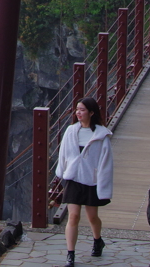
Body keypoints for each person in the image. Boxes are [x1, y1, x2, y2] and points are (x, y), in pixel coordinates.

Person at [55, 97, 113, 267]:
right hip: (73, 178)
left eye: (82, 110)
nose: (78, 113)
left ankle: (97, 240)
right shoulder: (71, 131)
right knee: (73, 216)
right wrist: (62, 173)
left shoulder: (102, 135)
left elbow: (106, 162)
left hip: (91, 180)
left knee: (92, 217)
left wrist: (103, 185)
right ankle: (70, 254)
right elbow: (63, 154)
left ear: (91, 112)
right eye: (77, 110)